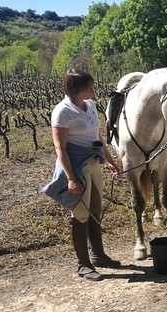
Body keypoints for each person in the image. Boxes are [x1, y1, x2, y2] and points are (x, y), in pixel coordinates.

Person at [44, 69, 121, 281]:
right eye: (89, 87)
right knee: (80, 215)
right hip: (77, 167)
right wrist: (70, 178)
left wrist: (112, 163)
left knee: (95, 212)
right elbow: (60, 148)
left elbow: (97, 136)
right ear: (77, 89)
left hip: (94, 164)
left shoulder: (90, 106)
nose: (93, 89)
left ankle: (98, 256)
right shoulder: (62, 111)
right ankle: (83, 264)